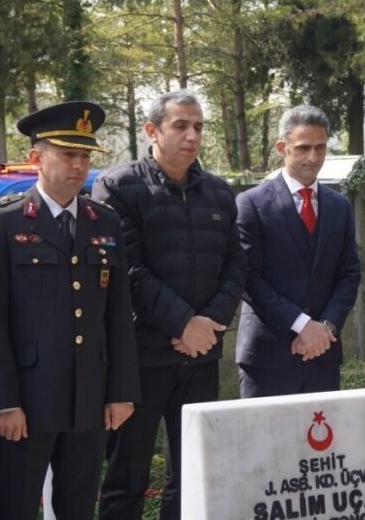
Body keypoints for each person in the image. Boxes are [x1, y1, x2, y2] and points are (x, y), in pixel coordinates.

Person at [0, 101, 140, 520]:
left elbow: (117, 316)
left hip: (89, 393)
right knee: (18, 504)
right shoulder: (4, 222)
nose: (78, 165)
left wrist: (120, 390)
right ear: (36, 158)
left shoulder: (105, 222)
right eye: (67, 154)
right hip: (28, 399)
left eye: (85, 156)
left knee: (79, 505)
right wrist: (3, 402)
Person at [94, 91, 246, 520]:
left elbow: (237, 264)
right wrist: (183, 323)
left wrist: (210, 322)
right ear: (151, 131)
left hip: (200, 358)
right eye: (180, 125)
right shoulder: (119, 186)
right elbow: (126, 269)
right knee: (127, 478)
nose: (192, 135)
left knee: (193, 475)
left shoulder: (218, 192)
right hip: (140, 360)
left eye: (198, 126)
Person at [235, 105, 361, 397]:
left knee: (322, 442)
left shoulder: (339, 206)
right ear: (282, 147)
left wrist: (324, 329)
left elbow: (349, 273)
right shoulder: (251, 203)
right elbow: (248, 277)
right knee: (267, 443)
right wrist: (302, 325)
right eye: (304, 148)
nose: (314, 157)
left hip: (322, 355)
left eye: (321, 148)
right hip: (268, 358)